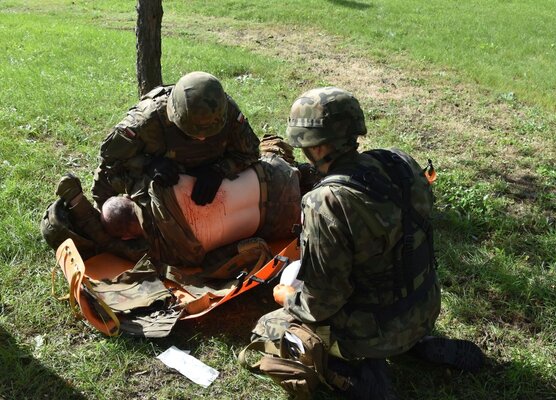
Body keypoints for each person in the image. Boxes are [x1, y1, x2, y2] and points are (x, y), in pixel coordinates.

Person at [249, 87, 483, 399]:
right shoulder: (399, 163)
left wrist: (289, 297)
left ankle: (350, 376)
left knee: (267, 329)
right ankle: (418, 344)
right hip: (424, 305)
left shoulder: (325, 202)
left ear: (315, 148)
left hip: (374, 329)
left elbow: (322, 302)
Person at [99, 152, 302, 275]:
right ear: (129, 198)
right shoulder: (157, 181)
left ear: (127, 236)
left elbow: (107, 242)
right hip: (274, 174)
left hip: (282, 222)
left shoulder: (168, 252)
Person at [91, 71, 260, 210]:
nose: (202, 138)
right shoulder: (146, 120)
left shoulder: (226, 111)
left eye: (209, 133)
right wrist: (148, 165)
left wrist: (219, 170)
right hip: (160, 185)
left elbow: (250, 152)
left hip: (209, 192)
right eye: (192, 132)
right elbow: (109, 166)